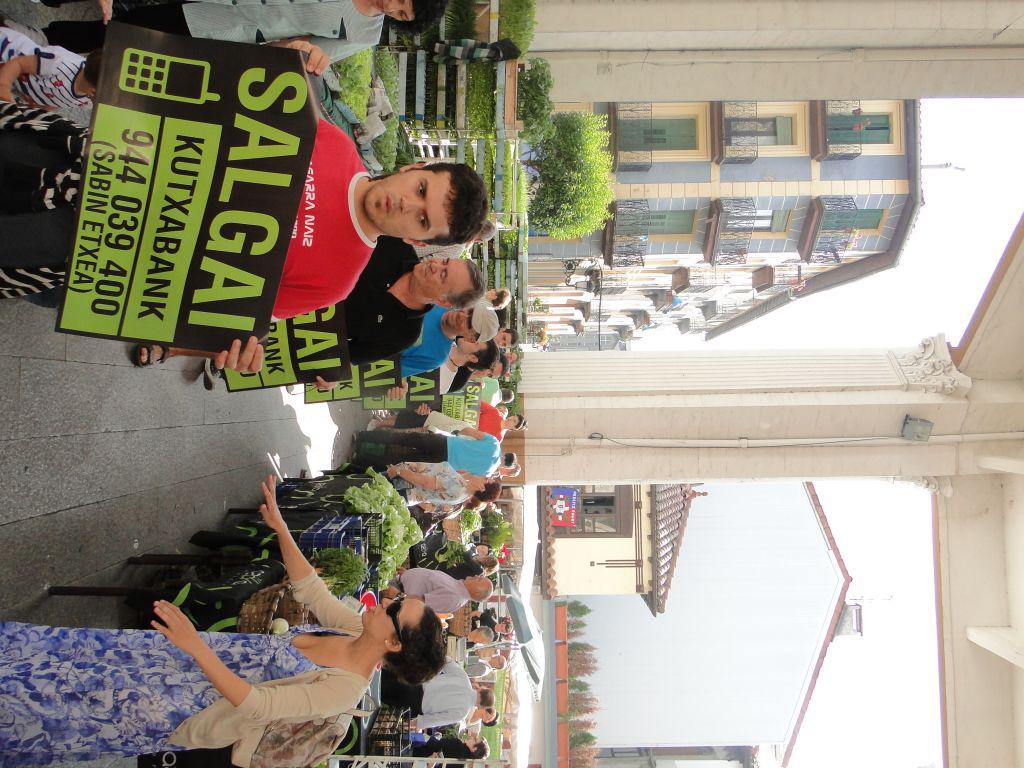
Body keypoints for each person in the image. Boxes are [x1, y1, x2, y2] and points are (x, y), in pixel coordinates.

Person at [0, 475, 446, 767]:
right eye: (398, 599)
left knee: (58, 707)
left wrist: (194, 645)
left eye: (395, 611)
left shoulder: (343, 690)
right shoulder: (352, 627)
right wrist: (281, 528)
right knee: (72, 657)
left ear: (394, 644)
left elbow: (257, 705)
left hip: (176, 703)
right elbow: (311, 589)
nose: (386, 601)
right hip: (175, 656)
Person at [131, 159, 488, 373]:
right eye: (421, 188)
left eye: (422, 220)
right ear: (414, 168)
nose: (406, 204)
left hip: (257, 308)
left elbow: (344, 355)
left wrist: (322, 370)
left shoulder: (381, 317)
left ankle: (172, 347)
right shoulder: (333, 149)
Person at [43, 0, 449, 73]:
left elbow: (296, 55)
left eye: (401, 15)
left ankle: (47, 42)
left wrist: (299, 51)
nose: (391, 7)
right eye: (401, 1)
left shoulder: (366, 32)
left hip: (224, 24)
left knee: (133, 30)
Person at [0, 25, 100, 116]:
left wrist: (40, 110)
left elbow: (59, 100)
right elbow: (18, 64)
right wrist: (4, 86)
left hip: (17, 82)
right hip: (6, 53)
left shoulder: (88, 102)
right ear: (93, 91)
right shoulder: (59, 63)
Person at [351, 425, 502, 477]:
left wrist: (458, 432)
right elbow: (463, 473)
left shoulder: (494, 443)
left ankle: (362, 436)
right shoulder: (487, 472)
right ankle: (359, 459)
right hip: (442, 463)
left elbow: (470, 431)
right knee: (400, 461)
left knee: (403, 438)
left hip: (445, 443)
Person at [381, 661, 493, 730]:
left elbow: (446, 661)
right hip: (416, 705)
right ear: (481, 706)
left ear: (481, 689)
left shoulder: (464, 678)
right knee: (380, 695)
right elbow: (437, 720)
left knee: (381, 677)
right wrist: (416, 723)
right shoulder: (462, 713)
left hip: (418, 681)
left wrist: (434, 673)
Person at [386, 461, 500, 508]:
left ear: (481, 487)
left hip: (401, 485)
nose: (483, 476)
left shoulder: (458, 488)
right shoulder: (464, 491)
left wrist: (398, 471)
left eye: (486, 479)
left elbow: (425, 483)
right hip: (403, 486)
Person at [389, 567, 493, 614]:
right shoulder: (459, 588)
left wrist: (397, 595)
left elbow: (420, 603)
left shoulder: (455, 599)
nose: (476, 576)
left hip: (394, 592)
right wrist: (408, 574)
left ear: (476, 593)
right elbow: (430, 581)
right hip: (398, 582)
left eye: (479, 580)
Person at [411, 733, 489, 766]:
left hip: (415, 753)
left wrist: (435, 737)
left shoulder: (458, 744)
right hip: (416, 764)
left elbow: (435, 745)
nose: (472, 737)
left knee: (421, 736)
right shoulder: (461, 765)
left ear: (474, 749)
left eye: (475, 739)